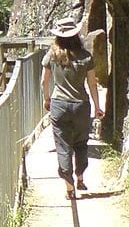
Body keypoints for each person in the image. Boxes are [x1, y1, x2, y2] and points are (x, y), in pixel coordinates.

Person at [41, 16, 104, 200]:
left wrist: (47, 99)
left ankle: (69, 187)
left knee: (63, 145)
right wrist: (97, 107)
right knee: (81, 143)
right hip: (81, 106)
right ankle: (80, 177)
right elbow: (92, 84)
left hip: (59, 105)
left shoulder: (52, 54)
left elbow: (44, 81)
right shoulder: (86, 57)